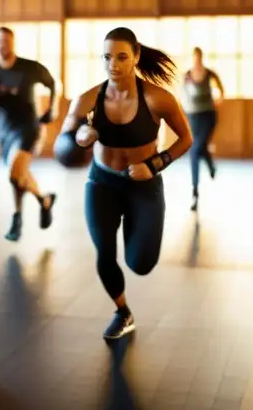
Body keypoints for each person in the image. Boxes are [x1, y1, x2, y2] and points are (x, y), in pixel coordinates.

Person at [58, 27, 193, 340]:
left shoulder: (158, 98)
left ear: (136, 57)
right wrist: (78, 138)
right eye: (107, 57)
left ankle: (135, 268)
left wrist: (155, 164)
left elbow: (186, 139)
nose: (113, 64)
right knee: (105, 254)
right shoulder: (88, 99)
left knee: (141, 263)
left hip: (144, 185)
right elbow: (61, 145)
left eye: (121, 57)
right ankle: (122, 311)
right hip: (102, 182)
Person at [0, 27, 58, 241]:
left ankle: (17, 218)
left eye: (6, 41)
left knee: (14, 173)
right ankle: (44, 200)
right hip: (5, 132)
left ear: (13, 43)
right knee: (20, 175)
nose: (3, 45)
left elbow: (53, 83)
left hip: (30, 127)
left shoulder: (29, 68)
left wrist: (53, 107)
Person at [181, 47, 223, 211]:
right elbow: (182, 93)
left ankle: (195, 190)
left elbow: (221, 88)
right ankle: (197, 187)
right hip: (193, 116)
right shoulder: (187, 76)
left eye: (199, 57)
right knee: (198, 149)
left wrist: (219, 99)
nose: (197, 60)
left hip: (208, 115)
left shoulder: (209, 73)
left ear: (202, 58)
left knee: (196, 149)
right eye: (195, 57)